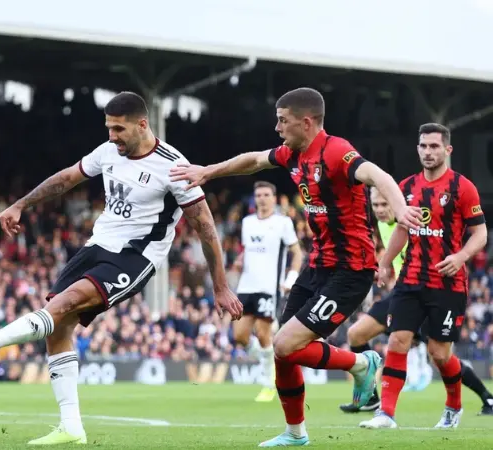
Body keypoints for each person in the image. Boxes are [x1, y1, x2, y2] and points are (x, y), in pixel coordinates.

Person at [0, 91, 243, 446]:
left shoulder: (174, 167)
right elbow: (66, 179)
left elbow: (206, 227)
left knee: (61, 305)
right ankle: (71, 427)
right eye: (108, 128)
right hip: (95, 248)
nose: (112, 136)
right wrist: (21, 204)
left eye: (119, 129)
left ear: (142, 124)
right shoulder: (109, 152)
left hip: (135, 257)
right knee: (56, 328)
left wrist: (221, 286)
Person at [169, 87, 422, 447]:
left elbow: (378, 176)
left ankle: (361, 364)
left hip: (350, 270)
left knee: (285, 343)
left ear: (306, 122)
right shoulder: (292, 153)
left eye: (282, 120)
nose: (276, 127)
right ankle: (295, 433)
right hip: (317, 265)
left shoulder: (336, 151)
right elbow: (254, 160)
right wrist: (208, 171)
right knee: (281, 349)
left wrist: (399, 209)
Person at [360, 123, 488, 429]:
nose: (428, 152)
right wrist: (385, 262)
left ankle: (453, 406)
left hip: (447, 284)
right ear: (417, 149)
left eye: (434, 146)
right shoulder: (406, 187)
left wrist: (460, 257)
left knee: (439, 354)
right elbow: (402, 230)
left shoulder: (462, 187)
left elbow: (480, 233)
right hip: (410, 279)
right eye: (423, 146)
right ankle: (386, 414)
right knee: (397, 341)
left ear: (447, 149)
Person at [339, 187, 493, 415]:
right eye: (376, 205)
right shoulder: (384, 226)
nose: (380, 211)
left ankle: (487, 398)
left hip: (428, 293)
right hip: (402, 294)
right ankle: (372, 397)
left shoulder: (417, 223)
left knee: (440, 356)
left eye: (385, 205)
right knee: (355, 334)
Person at [234, 181, 303, 402]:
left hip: (269, 287)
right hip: (246, 286)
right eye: (258, 195)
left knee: (264, 334)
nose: (262, 198)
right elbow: (248, 251)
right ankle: (267, 361)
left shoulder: (283, 223)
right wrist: (240, 260)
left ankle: (268, 382)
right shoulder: (247, 223)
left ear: (274, 198)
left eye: (266, 194)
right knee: (240, 336)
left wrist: (290, 278)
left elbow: (297, 254)